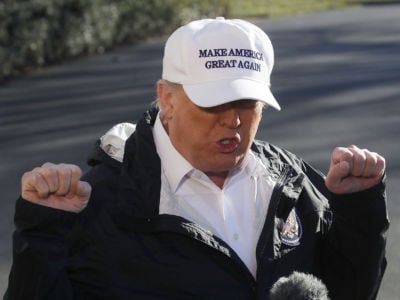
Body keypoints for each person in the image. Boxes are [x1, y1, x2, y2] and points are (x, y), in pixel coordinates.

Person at [4, 17, 388, 300]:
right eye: (214, 102)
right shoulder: (96, 204)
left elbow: (350, 291)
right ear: (167, 98)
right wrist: (41, 236)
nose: (233, 119)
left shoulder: (294, 182)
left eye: (247, 102)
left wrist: (358, 212)